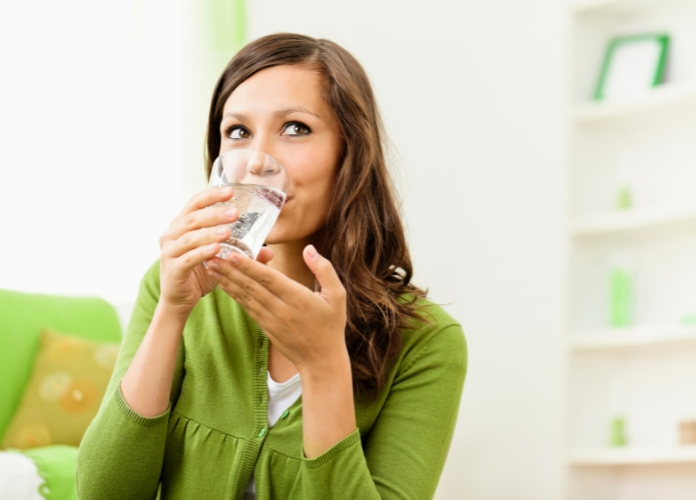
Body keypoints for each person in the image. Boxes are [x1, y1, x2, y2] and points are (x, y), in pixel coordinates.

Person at [76, 32, 467, 500]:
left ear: (351, 152)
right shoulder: (173, 285)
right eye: (237, 132)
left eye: (295, 128)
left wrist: (324, 366)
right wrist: (172, 313)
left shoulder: (427, 341)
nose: (256, 163)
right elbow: (102, 493)